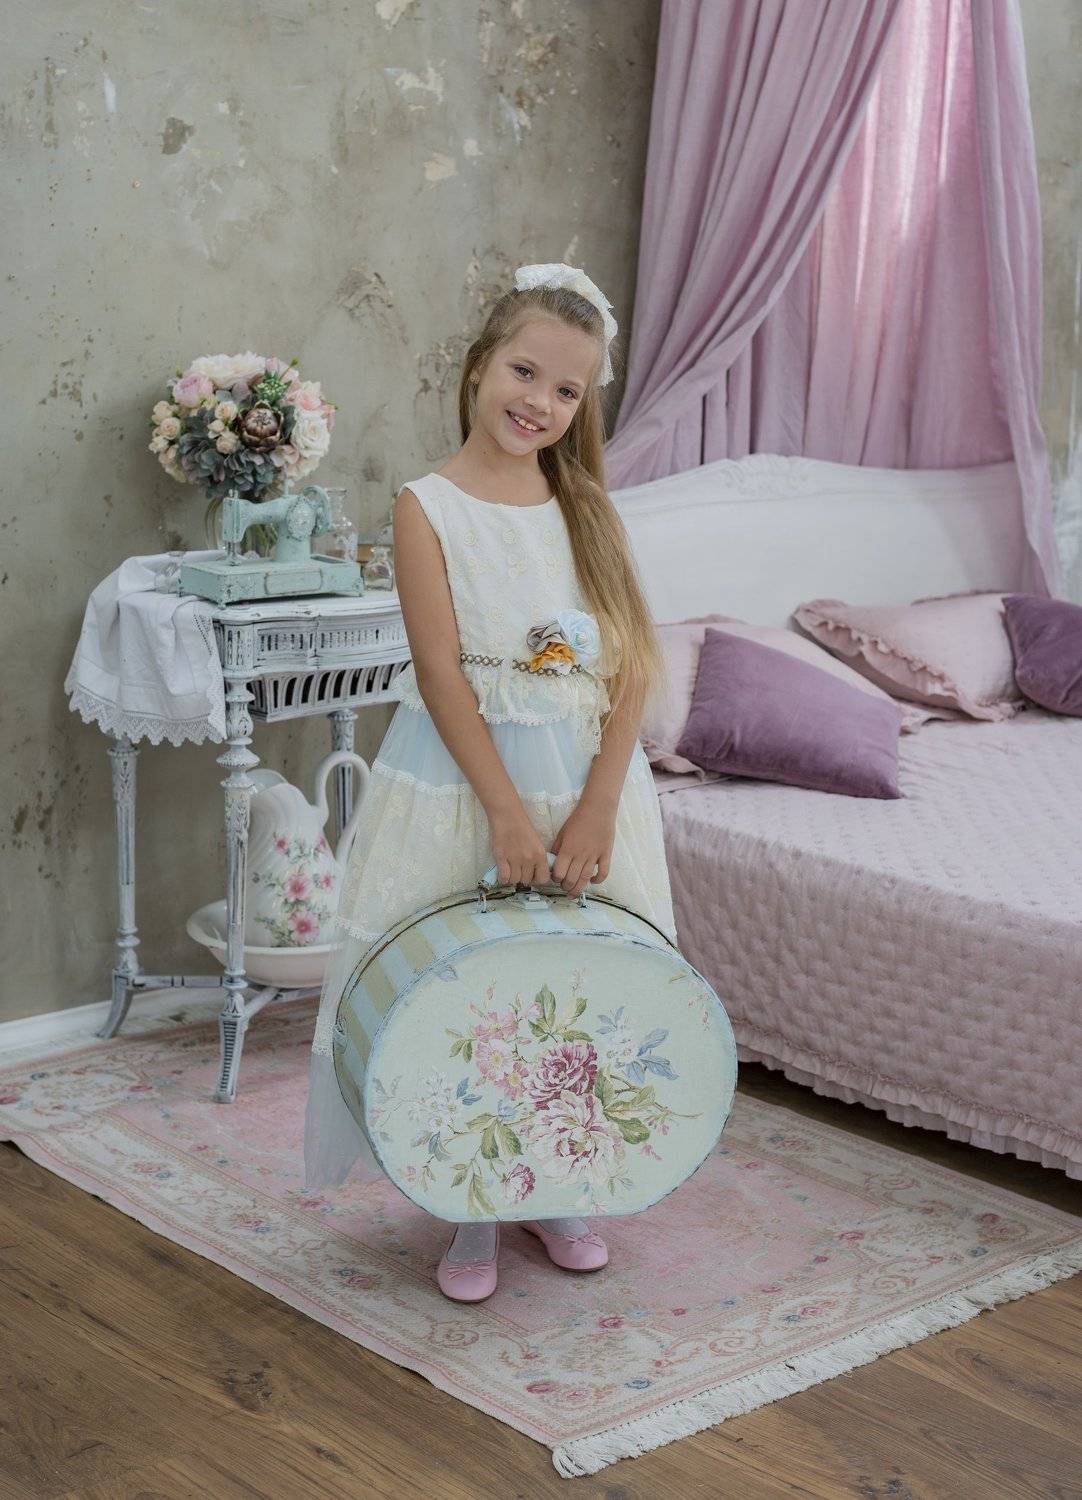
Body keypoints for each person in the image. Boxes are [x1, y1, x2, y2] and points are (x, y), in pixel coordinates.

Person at [303, 261, 678, 1302]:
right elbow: (439, 675)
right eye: (523, 372)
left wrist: (598, 803)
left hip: (582, 783)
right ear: (477, 368)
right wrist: (504, 815)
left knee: (570, 989)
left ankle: (555, 1185)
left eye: (566, 390)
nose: (539, 403)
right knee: (469, 994)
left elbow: (630, 665)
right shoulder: (426, 507)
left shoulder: (587, 507)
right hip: (465, 784)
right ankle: (468, 1200)